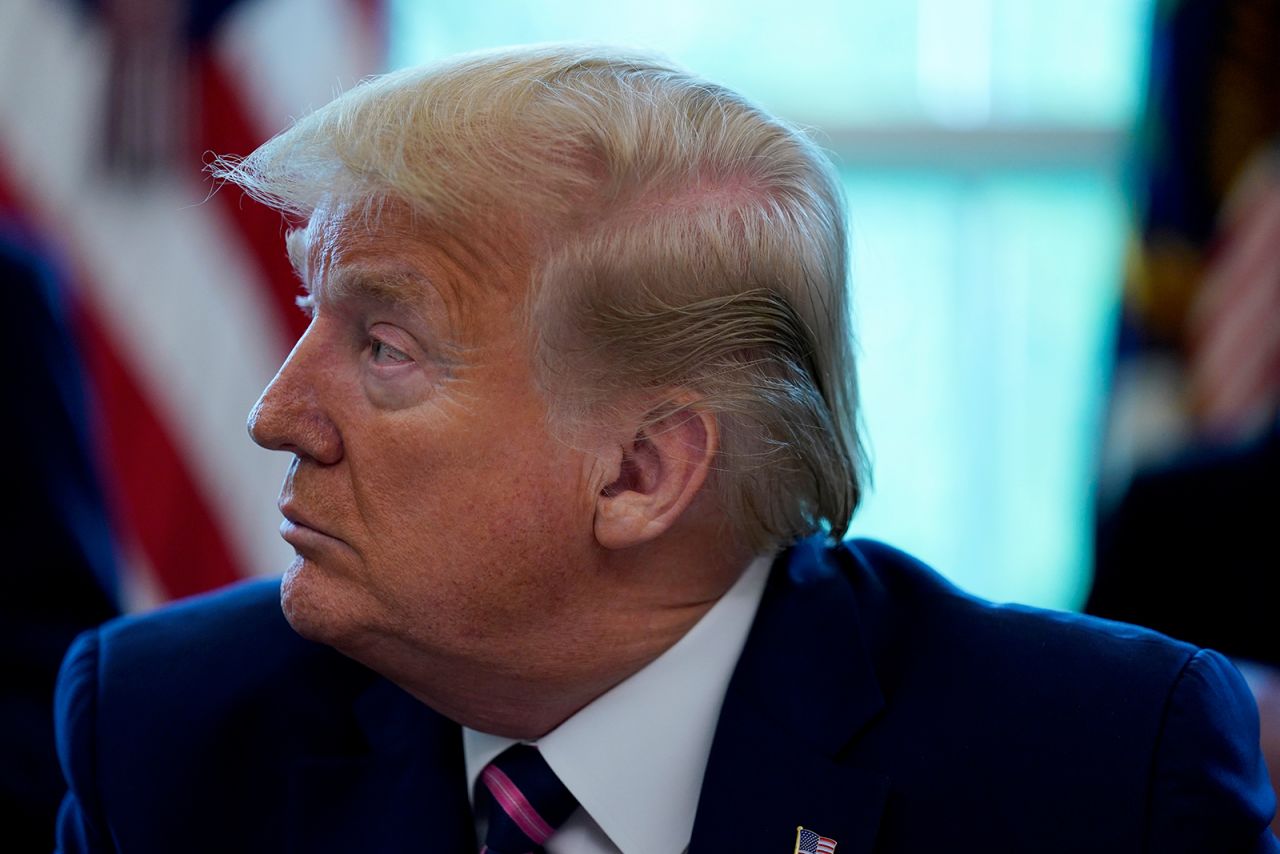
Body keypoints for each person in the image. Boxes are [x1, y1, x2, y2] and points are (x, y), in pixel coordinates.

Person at [53, 46, 1278, 853]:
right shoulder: (171, 734)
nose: (276, 412)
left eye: (384, 346)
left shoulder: (1100, 768)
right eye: (312, 316)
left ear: (643, 472)